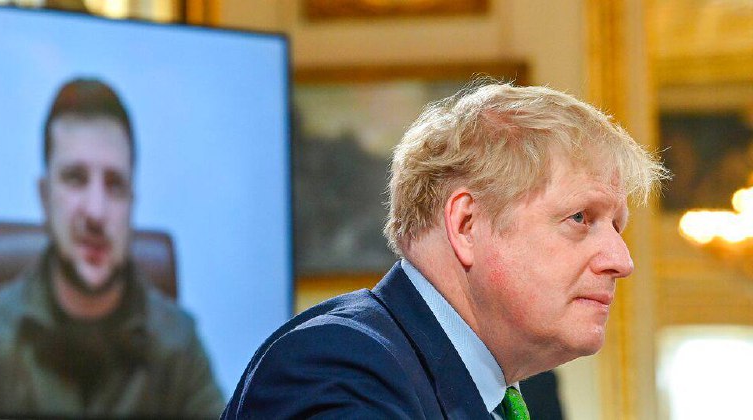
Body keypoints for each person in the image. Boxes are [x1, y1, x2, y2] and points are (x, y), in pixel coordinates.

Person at [223, 82, 668, 419]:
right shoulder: (340, 371)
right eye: (580, 218)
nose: (622, 260)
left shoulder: (485, 392)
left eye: (617, 226)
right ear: (466, 224)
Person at [0, 78, 223, 418]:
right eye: (75, 178)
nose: (96, 212)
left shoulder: (180, 347)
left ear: (132, 205)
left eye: (115, 185)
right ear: (44, 197)